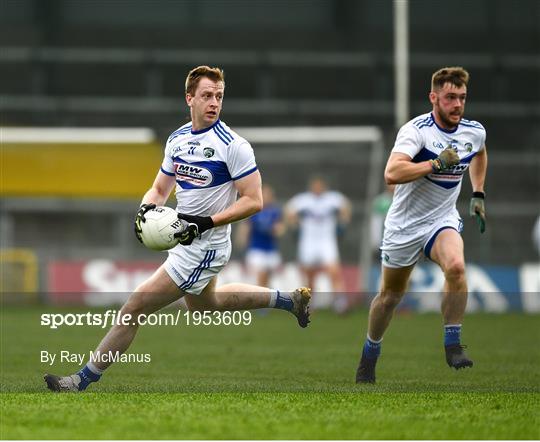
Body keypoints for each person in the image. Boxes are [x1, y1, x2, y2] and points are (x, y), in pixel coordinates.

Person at [44, 66, 311, 392]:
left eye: (219, 96)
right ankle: (288, 300)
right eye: (207, 96)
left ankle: (80, 380)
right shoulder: (178, 139)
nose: (214, 102)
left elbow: (254, 201)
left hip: (206, 245)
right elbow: (159, 189)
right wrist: (144, 210)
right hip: (185, 241)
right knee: (207, 305)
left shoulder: (234, 146)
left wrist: (207, 222)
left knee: (135, 306)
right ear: (190, 98)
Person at [356, 66, 488, 383]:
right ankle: (370, 353)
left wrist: (478, 192)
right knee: (389, 297)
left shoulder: (474, 131)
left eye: (462, 98)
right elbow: (392, 173)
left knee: (456, 266)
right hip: (404, 226)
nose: (457, 105)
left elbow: (480, 153)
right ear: (434, 97)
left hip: (441, 219)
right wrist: (434, 163)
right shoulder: (416, 131)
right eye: (450, 98)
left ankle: (452, 343)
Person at [286, 177, 351, 309]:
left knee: (333, 271)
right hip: (309, 241)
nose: (317, 188)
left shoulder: (332, 198)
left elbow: (346, 206)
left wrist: (343, 223)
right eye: (315, 186)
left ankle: (340, 303)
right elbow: (289, 210)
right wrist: (294, 226)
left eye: (320, 186)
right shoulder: (304, 200)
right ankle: (310, 303)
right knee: (310, 275)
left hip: (327, 241)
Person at [237, 184, 285, 287]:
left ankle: (266, 300)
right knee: (260, 276)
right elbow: (245, 228)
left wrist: (274, 229)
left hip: (271, 250)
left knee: (269, 279)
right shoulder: (254, 210)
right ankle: (260, 300)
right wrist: (243, 242)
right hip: (256, 249)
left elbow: (280, 230)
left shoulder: (275, 211)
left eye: (269, 195)